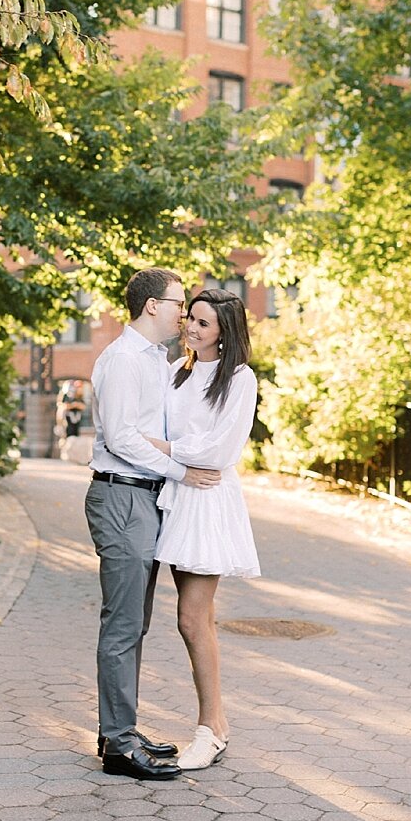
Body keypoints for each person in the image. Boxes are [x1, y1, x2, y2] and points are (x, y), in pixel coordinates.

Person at [85, 267, 222, 781]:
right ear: (151, 306)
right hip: (121, 497)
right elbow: (121, 438)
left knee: (133, 622)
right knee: (122, 623)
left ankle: (117, 729)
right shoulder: (122, 360)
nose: (182, 313)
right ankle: (119, 745)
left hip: (142, 499)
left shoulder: (155, 360)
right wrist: (183, 471)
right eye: (177, 303)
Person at [139, 287, 261, 771]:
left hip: (206, 502)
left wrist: (164, 447)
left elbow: (220, 452)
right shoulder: (177, 370)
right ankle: (218, 724)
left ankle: (210, 729)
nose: (192, 328)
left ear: (225, 331)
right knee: (193, 619)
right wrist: (169, 449)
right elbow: (161, 434)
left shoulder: (240, 379)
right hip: (172, 495)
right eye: (191, 317)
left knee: (192, 619)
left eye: (204, 323)